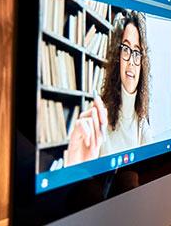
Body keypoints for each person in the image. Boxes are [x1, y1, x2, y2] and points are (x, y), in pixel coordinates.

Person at [65, 10, 152, 166]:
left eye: (137, 52)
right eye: (126, 49)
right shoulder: (99, 118)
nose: (131, 61)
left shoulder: (142, 125)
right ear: (118, 57)